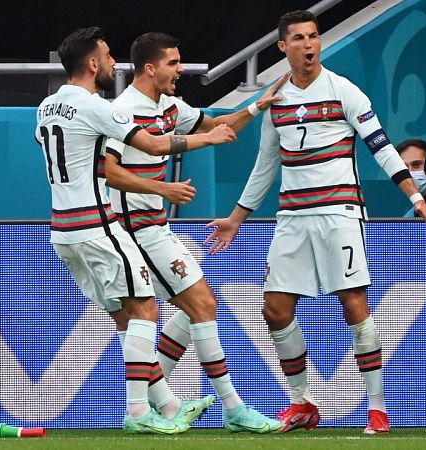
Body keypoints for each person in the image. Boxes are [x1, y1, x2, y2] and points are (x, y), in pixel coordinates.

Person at [203, 10, 426, 434]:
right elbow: (265, 166)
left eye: (314, 36)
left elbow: (382, 147)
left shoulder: (344, 91)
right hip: (292, 217)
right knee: (274, 311)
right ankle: (303, 404)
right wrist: (237, 218)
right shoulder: (274, 101)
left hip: (340, 212)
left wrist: (416, 196)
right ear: (283, 47)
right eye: (299, 38)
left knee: (353, 306)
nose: (309, 45)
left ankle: (377, 408)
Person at [35, 26, 236, 435]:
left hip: (62, 231)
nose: (113, 63)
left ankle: (169, 406)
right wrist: (210, 139)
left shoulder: (46, 107)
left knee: (127, 317)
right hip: (97, 224)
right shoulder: (96, 106)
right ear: (92, 64)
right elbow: (154, 146)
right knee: (146, 309)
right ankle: (138, 414)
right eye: (107, 56)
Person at [103, 32, 288, 433]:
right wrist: (163, 188)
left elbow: (218, 126)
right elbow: (110, 172)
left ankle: (161, 402)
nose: (180, 69)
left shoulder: (169, 105)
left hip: (155, 225)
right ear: (150, 68)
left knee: (189, 312)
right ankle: (232, 407)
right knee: (201, 305)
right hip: (135, 228)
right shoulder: (124, 110)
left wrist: (257, 106)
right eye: (173, 63)